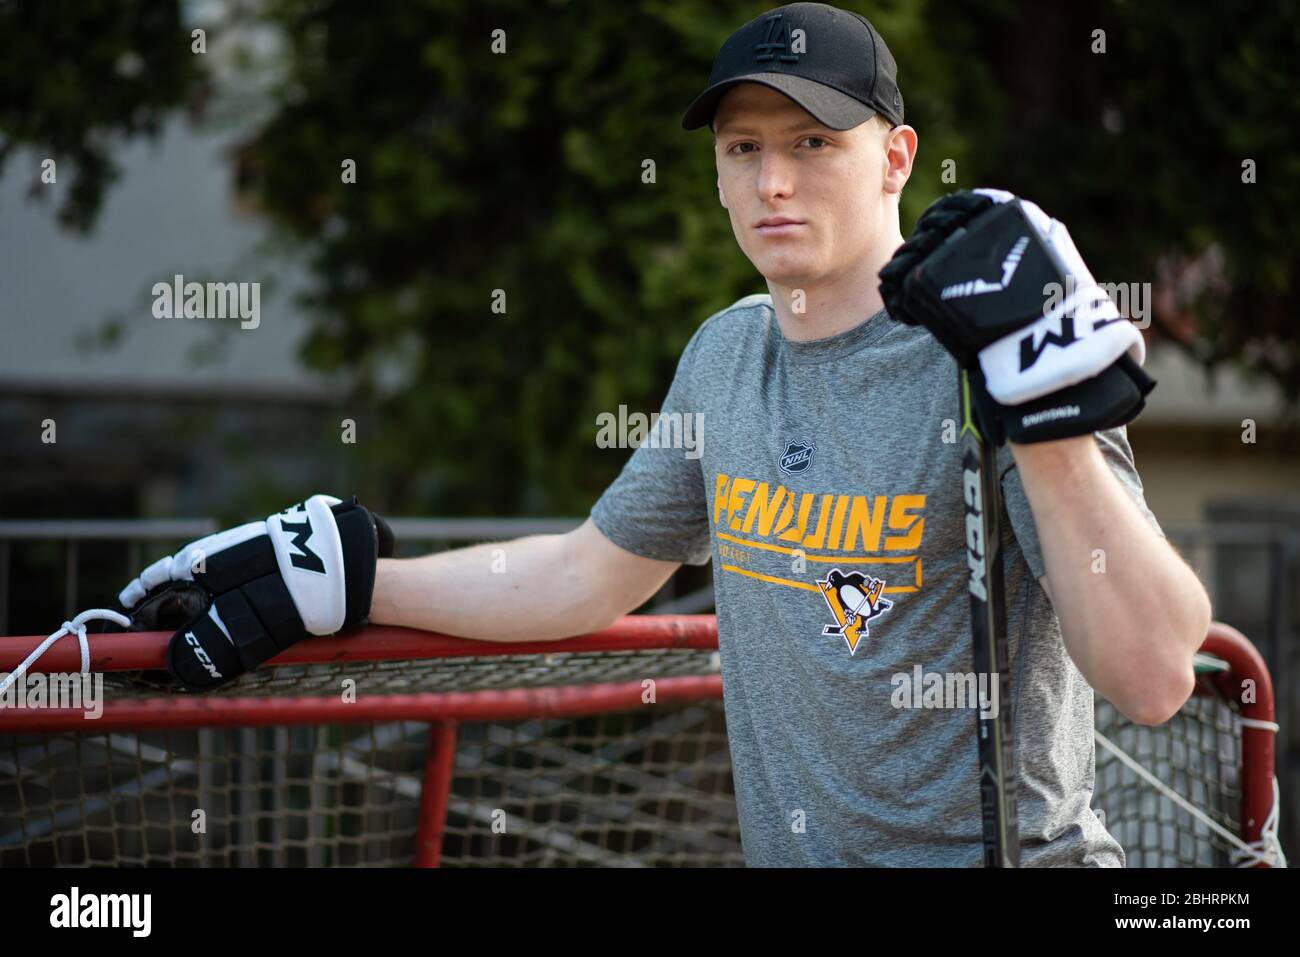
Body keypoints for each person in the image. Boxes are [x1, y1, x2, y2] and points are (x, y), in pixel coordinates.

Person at [118, 2, 1211, 866]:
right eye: (742, 148)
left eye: (813, 143)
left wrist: (1052, 425)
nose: (771, 181)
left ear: (895, 157)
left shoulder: (988, 351)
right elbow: (585, 576)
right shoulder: (726, 354)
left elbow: (1155, 675)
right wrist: (353, 582)